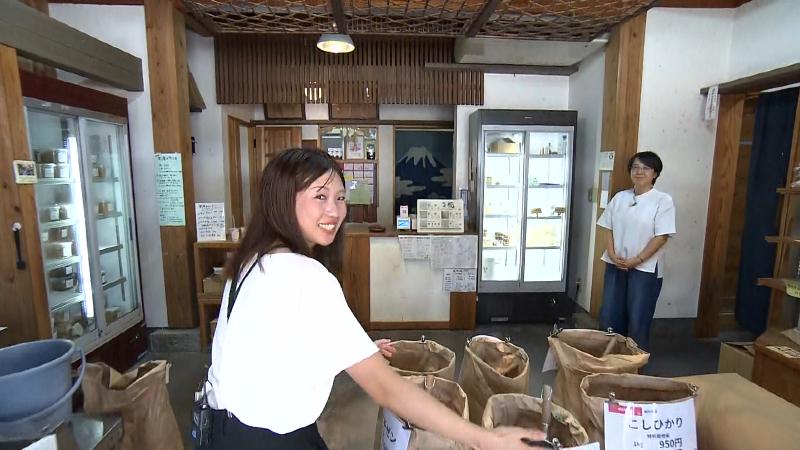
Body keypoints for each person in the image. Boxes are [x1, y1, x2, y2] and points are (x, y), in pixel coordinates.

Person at [204, 148, 543, 449]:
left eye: (340, 197)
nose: (335, 211)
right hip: (271, 440)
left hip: (222, 431)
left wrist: (354, 351)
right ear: (282, 199)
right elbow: (387, 390)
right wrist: (485, 438)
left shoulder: (251, 263)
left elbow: (272, 352)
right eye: (320, 196)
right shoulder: (306, 277)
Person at [597, 151, 676, 351]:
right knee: (610, 315)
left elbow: (662, 236)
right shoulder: (620, 197)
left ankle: (635, 368)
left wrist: (638, 259)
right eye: (635, 167)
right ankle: (610, 363)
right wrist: (613, 254)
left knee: (638, 318)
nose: (639, 171)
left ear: (655, 174)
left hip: (645, 269)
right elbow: (609, 228)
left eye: (646, 168)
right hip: (616, 264)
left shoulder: (662, 200)